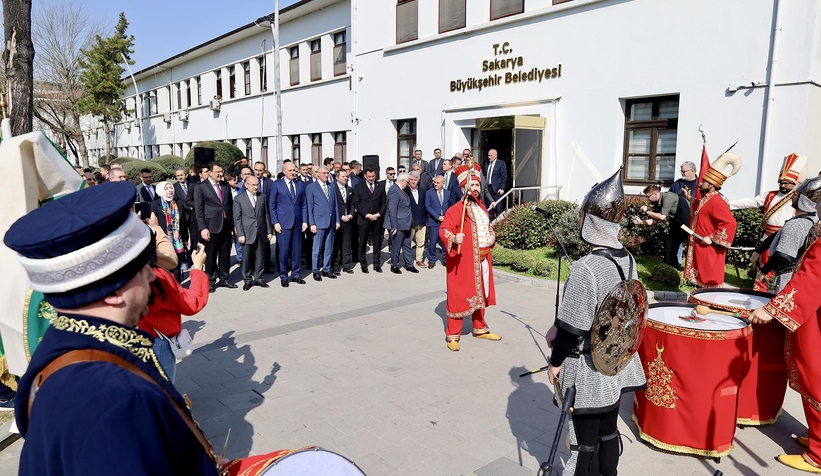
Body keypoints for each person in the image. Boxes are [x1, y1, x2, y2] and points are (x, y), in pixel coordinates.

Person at [3, 182, 222, 475]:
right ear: (114, 290)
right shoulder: (119, 401)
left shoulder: (61, 343)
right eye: (142, 267)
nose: (151, 276)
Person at [544, 169, 646, 476]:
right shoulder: (627, 258)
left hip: (588, 367)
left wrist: (555, 363)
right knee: (609, 430)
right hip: (616, 362)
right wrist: (558, 324)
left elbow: (572, 329)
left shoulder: (586, 267)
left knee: (584, 442)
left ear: (590, 222)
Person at [749, 177, 821, 474]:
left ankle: (818, 455)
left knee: (815, 378)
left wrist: (775, 308)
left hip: (814, 318)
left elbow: (811, 279)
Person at [439, 163, 501, 351]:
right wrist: (454, 237)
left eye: (477, 185)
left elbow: (487, 227)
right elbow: (444, 230)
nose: (475, 188)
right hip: (463, 262)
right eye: (471, 185)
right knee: (459, 296)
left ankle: (480, 328)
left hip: (482, 261)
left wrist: (492, 236)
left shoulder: (481, 207)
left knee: (481, 294)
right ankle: (452, 334)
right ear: (463, 187)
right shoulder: (457, 209)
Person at [731, 153, 807, 290]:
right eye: (781, 182)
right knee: (763, 267)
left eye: (786, 183)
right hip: (768, 237)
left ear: (794, 183)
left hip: (787, 237)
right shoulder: (770, 195)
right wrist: (728, 204)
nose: (783, 185)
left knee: (783, 270)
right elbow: (752, 202)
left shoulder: (798, 198)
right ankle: (759, 293)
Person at [140, 243, 209, 383]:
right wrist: (197, 267)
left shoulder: (116, 277)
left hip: (126, 343)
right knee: (162, 392)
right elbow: (191, 303)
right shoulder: (156, 277)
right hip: (157, 344)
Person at [754, 176, 821, 292]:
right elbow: (780, 233)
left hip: (787, 278)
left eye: (797, 194)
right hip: (799, 276)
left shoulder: (796, 224)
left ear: (804, 200)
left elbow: (783, 255)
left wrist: (763, 271)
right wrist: (759, 250)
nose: (793, 195)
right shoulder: (813, 218)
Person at [683, 152, 740, 288]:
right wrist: (688, 198)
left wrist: (712, 238)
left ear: (712, 184)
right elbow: (700, 207)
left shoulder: (717, 201)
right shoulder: (707, 198)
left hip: (710, 248)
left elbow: (729, 223)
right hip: (700, 246)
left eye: (704, 182)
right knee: (700, 281)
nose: (700, 183)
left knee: (708, 281)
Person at [194, 162, 236, 293]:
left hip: (226, 225)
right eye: (217, 171)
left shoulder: (225, 186)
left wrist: (233, 225)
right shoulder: (201, 187)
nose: (221, 174)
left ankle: (224, 278)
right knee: (211, 256)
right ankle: (210, 281)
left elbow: (230, 206)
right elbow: (199, 210)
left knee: (225, 254)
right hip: (211, 226)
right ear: (209, 172)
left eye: (221, 171)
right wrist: (203, 228)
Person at [632, 184, 691, 269]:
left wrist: (647, 211)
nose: (647, 199)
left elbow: (662, 217)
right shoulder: (657, 202)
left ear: (655, 194)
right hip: (677, 222)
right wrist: (640, 222)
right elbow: (654, 221)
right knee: (669, 245)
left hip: (687, 222)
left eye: (648, 196)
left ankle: (668, 268)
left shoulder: (668, 197)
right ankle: (670, 268)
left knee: (672, 245)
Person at [269, 162, 308, 287]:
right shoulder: (277, 185)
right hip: (283, 223)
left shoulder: (300, 184)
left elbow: (304, 204)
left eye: (295, 170)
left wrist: (305, 221)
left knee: (297, 251)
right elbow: (272, 205)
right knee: (284, 252)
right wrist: (275, 222)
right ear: (284, 171)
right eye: (291, 170)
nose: (293, 172)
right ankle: (284, 276)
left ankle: (295, 275)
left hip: (297, 222)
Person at [233, 175, 272, 290]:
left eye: (257, 185)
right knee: (247, 258)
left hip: (261, 231)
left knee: (260, 257)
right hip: (246, 232)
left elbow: (266, 215)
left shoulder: (262, 197)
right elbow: (237, 218)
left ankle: (259, 278)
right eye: (253, 185)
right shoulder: (239, 199)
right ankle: (248, 279)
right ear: (246, 185)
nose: (256, 187)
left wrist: (269, 231)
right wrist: (240, 234)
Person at [306, 166, 340, 281]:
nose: (326, 175)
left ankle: (326, 269)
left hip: (330, 222)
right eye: (324, 173)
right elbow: (309, 207)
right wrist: (312, 223)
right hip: (318, 222)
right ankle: (315, 270)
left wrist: (337, 220)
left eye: (328, 173)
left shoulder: (331, 187)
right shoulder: (311, 187)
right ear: (318, 174)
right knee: (317, 249)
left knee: (328, 248)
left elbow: (335, 204)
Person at [150, 181, 188, 282]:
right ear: (161, 191)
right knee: (166, 263)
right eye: (166, 188)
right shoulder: (155, 204)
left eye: (170, 188)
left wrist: (185, 238)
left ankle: (178, 285)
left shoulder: (178, 203)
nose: (170, 190)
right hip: (163, 239)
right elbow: (153, 223)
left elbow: (183, 222)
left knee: (176, 263)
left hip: (177, 240)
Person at [352, 167, 386, 273]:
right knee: (362, 242)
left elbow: (384, 202)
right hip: (364, 219)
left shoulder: (380, 186)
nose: (371, 178)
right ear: (365, 176)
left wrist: (379, 213)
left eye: (373, 176)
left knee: (377, 242)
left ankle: (377, 263)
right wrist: (366, 214)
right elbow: (356, 202)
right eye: (369, 176)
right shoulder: (359, 187)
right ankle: (363, 263)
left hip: (377, 219)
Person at [384, 172, 416, 274]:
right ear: (402, 181)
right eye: (407, 182)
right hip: (397, 224)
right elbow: (392, 210)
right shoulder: (394, 191)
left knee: (407, 245)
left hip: (405, 223)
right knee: (396, 246)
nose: (408, 184)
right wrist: (394, 226)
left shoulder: (401, 190)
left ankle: (409, 264)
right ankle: (394, 265)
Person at [333, 169, 355, 274]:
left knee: (347, 244)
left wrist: (350, 215)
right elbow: (332, 205)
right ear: (337, 177)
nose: (345, 178)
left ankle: (346, 265)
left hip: (348, 220)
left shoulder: (349, 189)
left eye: (346, 176)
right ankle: (336, 266)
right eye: (343, 176)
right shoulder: (332, 188)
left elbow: (352, 204)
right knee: (336, 244)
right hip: (337, 220)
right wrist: (340, 216)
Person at [425, 175, 450, 268]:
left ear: (443, 183)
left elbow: (450, 206)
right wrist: (437, 217)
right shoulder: (429, 193)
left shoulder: (448, 193)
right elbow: (427, 206)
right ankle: (432, 260)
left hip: (445, 221)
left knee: (445, 241)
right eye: (434, 182)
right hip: (434, 221)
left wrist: (446, 217)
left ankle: (445, 259)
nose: (435, 184)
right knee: (432, 242)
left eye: (437, 183)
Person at [407, 171, 428, 268]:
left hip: (421, 220)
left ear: (418, 181)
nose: (413, 182)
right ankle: (408, 261)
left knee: (421, 242)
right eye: (411, 180)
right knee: (407, 242)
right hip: (410, 221)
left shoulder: (423, 191)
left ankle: (419, 260)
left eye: (415, 180)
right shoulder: (405, 191)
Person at [484, 149, 507, 219]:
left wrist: (502, 188)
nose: (489, 157)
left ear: (495, 155)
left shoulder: (501, 163)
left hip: (496, 188)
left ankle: (499, 221)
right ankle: (490, 220)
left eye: (491, 155)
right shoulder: (487, 163)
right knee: (489, 205)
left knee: (498, 206)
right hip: (488, 188)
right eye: (488, 155)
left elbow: (504, 176)